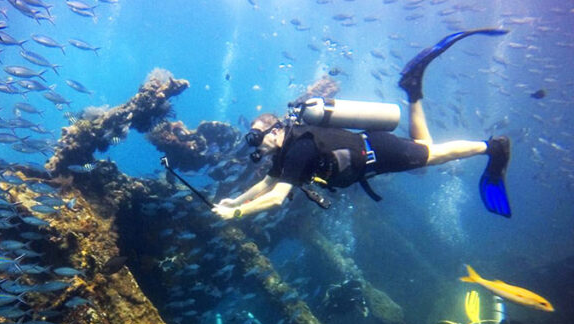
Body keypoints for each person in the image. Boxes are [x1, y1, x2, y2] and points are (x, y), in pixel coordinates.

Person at [213, 28, 512, 220]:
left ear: (276, 130)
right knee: (425, 148)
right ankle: (412, 90)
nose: (257, 143)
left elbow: (277, 199)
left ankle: (492, 147)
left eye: (258, 136)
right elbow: (268, 183)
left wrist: (237, 213)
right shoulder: (287, 150)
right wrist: (234, 200)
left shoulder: (298, 148)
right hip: (374, 148)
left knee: (434, 156)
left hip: (380, 151)